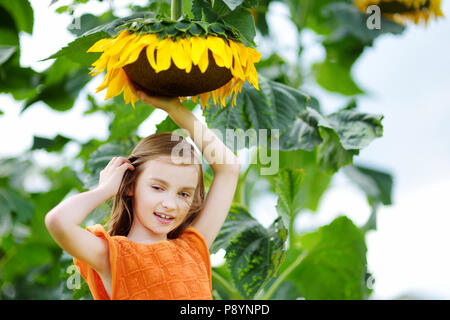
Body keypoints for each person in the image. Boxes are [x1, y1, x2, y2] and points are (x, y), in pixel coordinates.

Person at [45, 86, 241, 300]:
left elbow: (229, 167)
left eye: (184, 194)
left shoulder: (192, 248)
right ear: (130, 186)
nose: (170, 204)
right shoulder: (111, 255)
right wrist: (105, 190)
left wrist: (174, 108)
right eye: (158, 188)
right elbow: (58, 221)